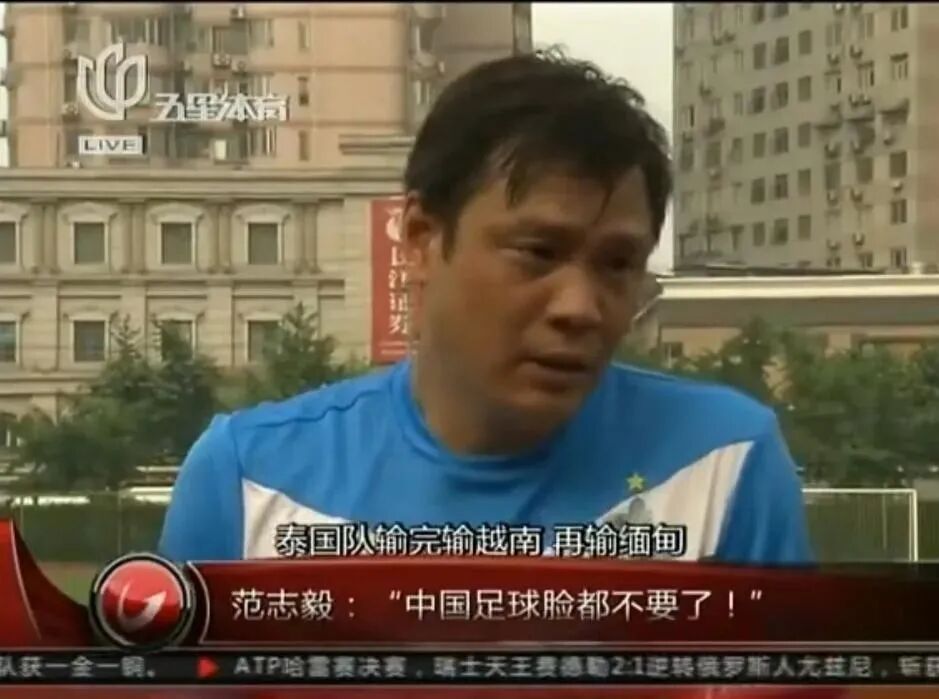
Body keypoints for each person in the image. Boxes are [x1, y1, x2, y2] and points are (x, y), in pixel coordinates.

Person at [158, 49, 812, 564]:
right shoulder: (247, 480)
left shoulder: (725, 465)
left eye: (617, 264)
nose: (580, 307)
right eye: (537, 252)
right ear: (421, 239)